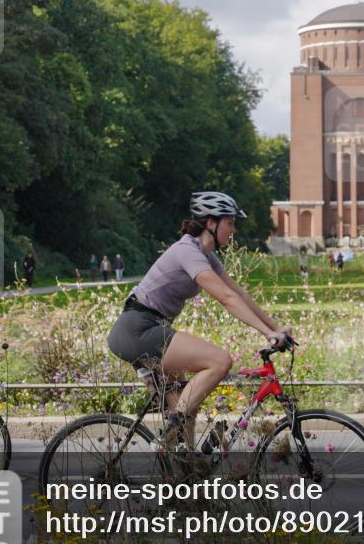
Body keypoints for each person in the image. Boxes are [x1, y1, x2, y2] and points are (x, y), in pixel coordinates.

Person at [107, 192, 293, 450]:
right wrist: (266, 333)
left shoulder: (206, 256)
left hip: (153, 329)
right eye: (230, 223)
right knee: (219, 361)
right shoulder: (187, 251)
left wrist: (275, 328)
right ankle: (169, 435)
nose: (234, 230)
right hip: (138, 330)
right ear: (211, 223)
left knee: (188, 410)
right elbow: (226, 298)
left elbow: (239, 293)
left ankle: (184, 476)